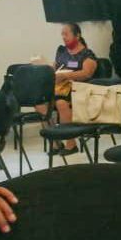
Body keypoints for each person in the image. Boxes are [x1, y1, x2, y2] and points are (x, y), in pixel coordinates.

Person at [34, 23, 97, 156]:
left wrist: (65, 76)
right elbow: (55, 69)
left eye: (66, 34)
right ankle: (56, 142)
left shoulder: (87, 54)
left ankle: (71, 143)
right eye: (62, 34)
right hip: (60, 88)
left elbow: (87, 73)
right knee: (39, 103)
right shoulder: (62, 52)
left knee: (61, 103)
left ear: (77, 35)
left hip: (79, 89)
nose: (63, 37)